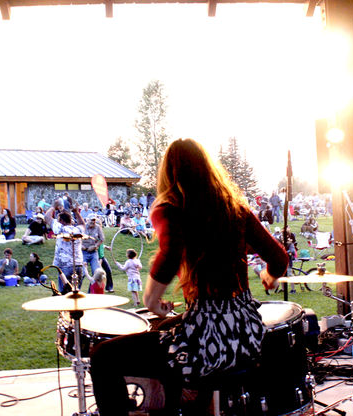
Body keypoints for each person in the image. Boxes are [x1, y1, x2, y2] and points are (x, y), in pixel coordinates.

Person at [89, 138, 288, 415]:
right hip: (246, 335)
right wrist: (269, 275)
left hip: (208, 340)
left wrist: (151, 300)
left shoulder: (171, 208)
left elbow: (170, 255)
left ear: (169, 173)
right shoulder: (236, 208)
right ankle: (182, 407)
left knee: (103, 356)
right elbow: (279, 258)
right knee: (161, 328)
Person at [46, 205, 86, 294]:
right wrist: (76, 212)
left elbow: (47, 217)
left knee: (65, 295)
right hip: (78, 265)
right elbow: (82, 224)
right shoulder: (78, 230)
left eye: (58, 220)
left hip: (65, 266)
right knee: (76, 294)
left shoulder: (60, 228)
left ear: (62, 221)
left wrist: (53, 206)